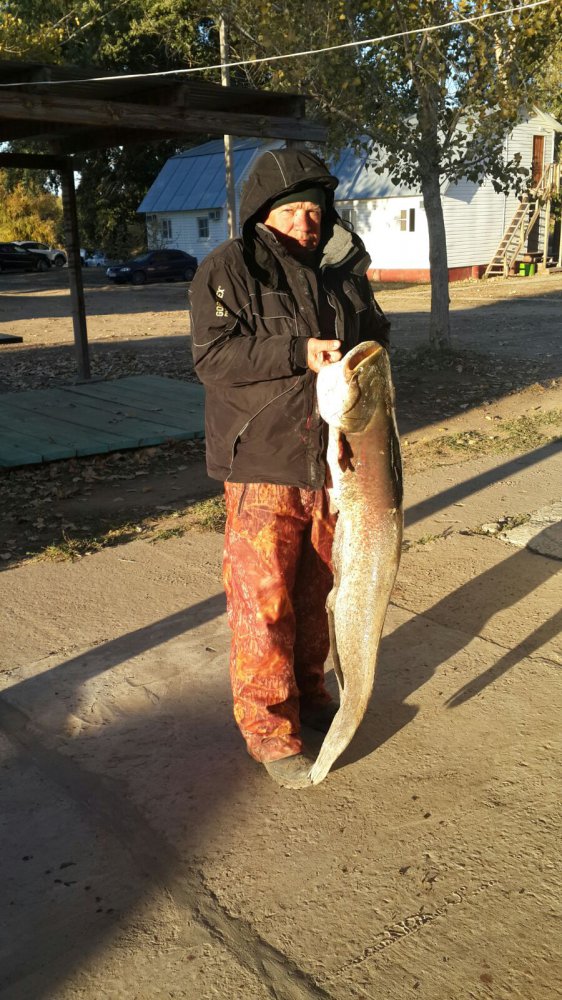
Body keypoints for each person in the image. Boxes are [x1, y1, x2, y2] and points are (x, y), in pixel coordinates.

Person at [189, 147, 389, 788]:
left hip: (334, 463)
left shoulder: (341, 268)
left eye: (314, 209)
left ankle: (311, 692)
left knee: (318, 593)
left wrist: (366, 357)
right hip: (262, 464)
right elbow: (212, 357)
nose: (305, 221)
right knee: (263, 601)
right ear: (263, 214)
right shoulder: (228, 269)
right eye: (291, 210)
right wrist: (297, 351)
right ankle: (270, 730)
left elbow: (376, 335)